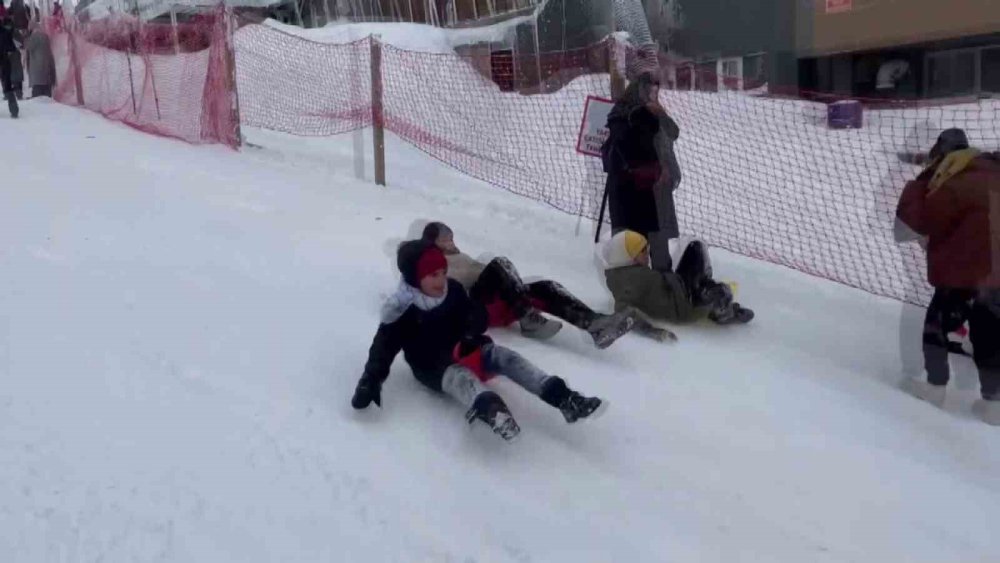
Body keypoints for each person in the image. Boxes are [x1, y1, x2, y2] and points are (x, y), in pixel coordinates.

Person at [351, 240, 608, 442]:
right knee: (461, 378)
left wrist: (474, 319)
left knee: (506, 357)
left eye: (442, 272)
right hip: (433, 367)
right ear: (413, 279)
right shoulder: (401, 310)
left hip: (467, 347)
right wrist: (369, 382)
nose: (440, 280)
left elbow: (473, 315)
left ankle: (564, 398)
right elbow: (382, 349)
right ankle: (491, 411)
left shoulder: (452, 290)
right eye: (432, 276)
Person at [896, 128, 1000, 425]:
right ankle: (994, 404)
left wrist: (919, 184)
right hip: (996, 275)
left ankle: (935, 389)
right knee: (990, 332)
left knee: (936, 327)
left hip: (963, 271)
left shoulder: (955, 181)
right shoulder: (990, 170)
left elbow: (922, 220)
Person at [420, 221, 654, 348]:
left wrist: (507, 283)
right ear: (432, 243)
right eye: (445, 240)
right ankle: (528, 318)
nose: (451, 243)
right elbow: (452, 286)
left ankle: (595, 325)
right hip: (477, 307)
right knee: (501, 263)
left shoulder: (458, 256)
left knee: (546, 287)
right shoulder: (435, 264)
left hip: (499, 300)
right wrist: (492, 273)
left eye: (452, 238)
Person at [600, 71, 682, 273]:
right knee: (631, 245)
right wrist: (647, 113)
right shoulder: (623, 113)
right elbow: (629, 145)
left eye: (656, 90)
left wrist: (659, 113)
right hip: (630, 191)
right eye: (649, 89)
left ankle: (663, 290)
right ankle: (634, 288)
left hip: (655, 189)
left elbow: (673, 132)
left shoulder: (654, 112)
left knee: (659, 243)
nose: (653, 94)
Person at [601, 230, 754, 326]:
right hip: (685, 304)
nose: (647, 252)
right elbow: (625, 312)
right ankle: (724, 310)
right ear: (629, 256)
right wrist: (654, 332)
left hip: (676, 293)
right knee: (695, 247)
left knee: (690, 251)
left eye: (646, 248)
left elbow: (624, 303)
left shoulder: (618, 277)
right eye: (642, 251)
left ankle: (708, 289)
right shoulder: (634, 282)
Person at [24, 21, 54, 98]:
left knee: (38, 93)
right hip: (47, 66)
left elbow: (28, 46)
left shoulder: (34, 37)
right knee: (46, 89)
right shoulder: (45, 35)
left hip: (38, 68)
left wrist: (26, 37)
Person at [0, 16, 19, 118]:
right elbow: (12, 48)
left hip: (4, 61)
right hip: (4, 62)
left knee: (7, 85)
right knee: (8, 86)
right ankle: (14, 110)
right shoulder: (6, 33)